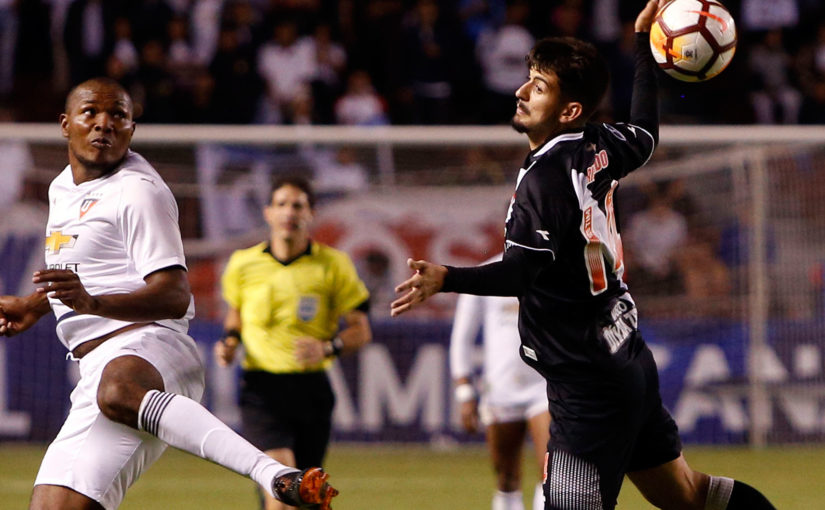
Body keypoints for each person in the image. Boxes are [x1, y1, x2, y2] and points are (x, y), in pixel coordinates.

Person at [390, 2, 777, 509]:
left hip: (587, 384)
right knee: (687, 494)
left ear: (569, 110)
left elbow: (523, 272)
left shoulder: (544, 181)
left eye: (539, 87)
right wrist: (643, 44)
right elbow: (647, 131)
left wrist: (447, 277)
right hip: (626, 354)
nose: (521, 92)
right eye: (529, 80)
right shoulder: (599, 144)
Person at [0, 77, 337, 510]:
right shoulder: (62, 187)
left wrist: (94, 305)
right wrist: (34, 306)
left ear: (131, 129)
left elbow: (174, 295)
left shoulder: (139, 191)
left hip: (151, 347)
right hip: (95, 368)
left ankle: (273, 474)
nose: (104, 123)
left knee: (118, 390)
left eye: (118, 115)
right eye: (91, 113)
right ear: (66, 124)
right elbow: (90, 271)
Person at [214, 175, 372, 510]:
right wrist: (230, 341)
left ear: (312, 213)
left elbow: (361, 330)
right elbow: (235, 313)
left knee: (306, 496)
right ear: (268, 213)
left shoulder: (334, 265)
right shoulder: (244, 263)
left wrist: (329, 347)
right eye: (282, 204)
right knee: (283, 487)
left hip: (312, 391)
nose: (289, 212)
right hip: (262, 390)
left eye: (298, 205)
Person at [450, 254, 550, 510]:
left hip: (545, 387)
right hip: (501, 390)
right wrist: (465, 393)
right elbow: (462, 337)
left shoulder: (552, 269)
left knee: (550, 473)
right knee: (506, 477)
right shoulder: (483, 274)